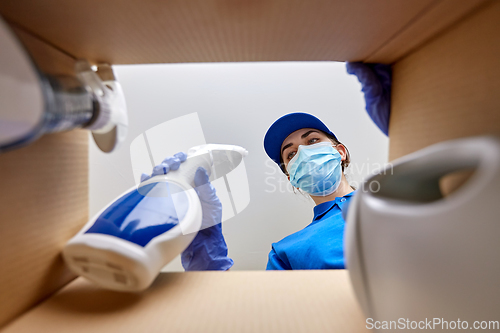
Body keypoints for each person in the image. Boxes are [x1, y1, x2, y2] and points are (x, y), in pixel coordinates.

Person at [141, 112, 355, 271]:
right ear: (292, 176)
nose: (304, 153)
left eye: (313, 140)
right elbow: (264, 314)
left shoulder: (385, 198)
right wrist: (207, 261)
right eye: (291, 154)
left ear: (340, 152)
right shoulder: (287, 251)